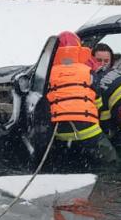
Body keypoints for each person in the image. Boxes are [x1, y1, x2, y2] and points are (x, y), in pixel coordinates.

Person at [47, 31, 116, 163]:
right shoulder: (87, 71)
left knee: (67, 162)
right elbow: (98, 103)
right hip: (87, 126)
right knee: (110, 158)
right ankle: (108, 182)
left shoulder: (50, 73)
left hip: (60, 130)